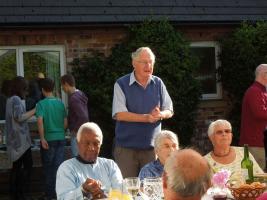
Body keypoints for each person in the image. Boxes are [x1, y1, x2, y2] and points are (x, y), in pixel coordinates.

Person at [112, 47, 173, 177]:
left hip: (152, 149)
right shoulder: (121, 84)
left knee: (151, 189)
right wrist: (147, 118)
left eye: (151, 62)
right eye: (144, 62)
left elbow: (169, 109)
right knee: (128, 191)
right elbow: (119, 114)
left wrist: (160, 114)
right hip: (126, 149)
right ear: (134, 63)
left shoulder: (158, 83)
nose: (148, 65)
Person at [56, 122, 123, 200]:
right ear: (78, 143)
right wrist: (83, 190)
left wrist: (104, 195)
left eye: (96, 143)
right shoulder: (67, 168)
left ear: (100, 145)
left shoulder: (110, 165)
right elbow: (63, 198)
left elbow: (121, 192)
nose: (91, 148)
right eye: (86, 143)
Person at [36, 78, 67, 200]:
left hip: (48, 139)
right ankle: (58, 194)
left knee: (48, 168)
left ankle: (49, 195)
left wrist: (42, 138)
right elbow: (65, 122)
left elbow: (39, 122)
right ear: (53, 89)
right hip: (60, 138)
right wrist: (60, 131)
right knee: (58, 167)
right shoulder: (60, 103)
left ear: (43, 90)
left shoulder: (41, 104)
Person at [5, 76, 35, 200]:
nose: (26, 90)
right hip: (20, 142)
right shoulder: (16, 99)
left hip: (14, 142)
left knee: (16, 168)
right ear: (21, 87)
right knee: (27, 166)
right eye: (25, 87)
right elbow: (19, 117)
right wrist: (35, 110)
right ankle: (20, 193)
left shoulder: (10, 99)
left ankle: (15, 194)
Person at [205, 119, 263, 184]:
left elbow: (259, 176)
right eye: (219, 132)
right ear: (211, 137)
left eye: (227, 131)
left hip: (248, 192)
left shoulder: (243, 152)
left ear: (231, 135)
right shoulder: (205, 162)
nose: (224, 134)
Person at [240, 64, 267, 170]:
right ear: (264, 75)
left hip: (258, 141)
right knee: (255, 175)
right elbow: (260, 113)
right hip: (254, 143)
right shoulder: (255, 91)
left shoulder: (260, 90)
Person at [61, 74, 89, 157]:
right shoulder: (79, 94)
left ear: (66, 84)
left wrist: (75, 130)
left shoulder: (74, 99)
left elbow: (83, 117)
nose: (62, 89)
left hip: (78, 134)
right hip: (82, 132)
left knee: (77, 159)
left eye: (62, 86)